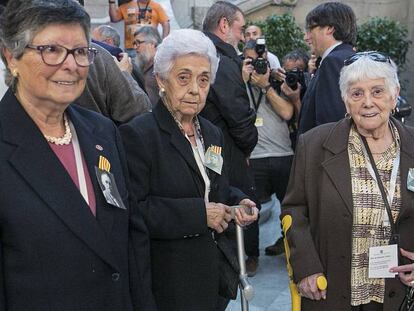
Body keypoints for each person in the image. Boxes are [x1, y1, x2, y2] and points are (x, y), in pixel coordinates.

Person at [0, 0, 152, 310]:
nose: (71, 65)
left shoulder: (103, 132)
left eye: (81, 52)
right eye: (52, 50)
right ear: (11, 57)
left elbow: (132, 242)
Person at [119, 29, 258, 311]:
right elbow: (135, 211)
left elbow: (214, 187)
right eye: (184, 77)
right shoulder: (139, 135)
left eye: (204, 79)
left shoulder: (212, 133)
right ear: (161, 79)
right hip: (168, 281)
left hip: (212, 276)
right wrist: (199, 214)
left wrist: (236, 201)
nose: (195, 89)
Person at [281, 51, 414, 310]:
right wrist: (305, 266)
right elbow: (294, 209)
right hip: (332, 288)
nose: (367, 102)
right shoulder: (314, 144)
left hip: (398, 290)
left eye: (377, 91)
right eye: (356, 93)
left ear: (394, 93)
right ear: (345, 100)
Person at [201, 0, 259, 276]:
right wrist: (249, 142)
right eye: (240, 28)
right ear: (224, 25)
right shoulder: (220, 61)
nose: (242, 35)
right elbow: (237, 114)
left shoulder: (211, 54)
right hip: (226, 152)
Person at [242, 40, 295, 265]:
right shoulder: (239, 83)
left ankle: (289, 247)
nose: (258, 67)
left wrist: (266, 86)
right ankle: (252, 255)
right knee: (251, 207)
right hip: (253, 157)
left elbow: (287, 113)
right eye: (252, 62)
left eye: (262, 62)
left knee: (290, 206)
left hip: (282, 154)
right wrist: (241, 80)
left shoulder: (278, 84)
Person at [298, 1, 356, 135]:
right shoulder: (347, 56)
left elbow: (331, 121)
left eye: (310, 29)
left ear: (330, 28)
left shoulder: (333, 61)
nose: (306, 37)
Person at [133, 25, 161, 106]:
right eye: (134, 43)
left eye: (138, 43)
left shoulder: (162, 66)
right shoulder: (144, 64)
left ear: (152, 43)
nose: (135, 47)